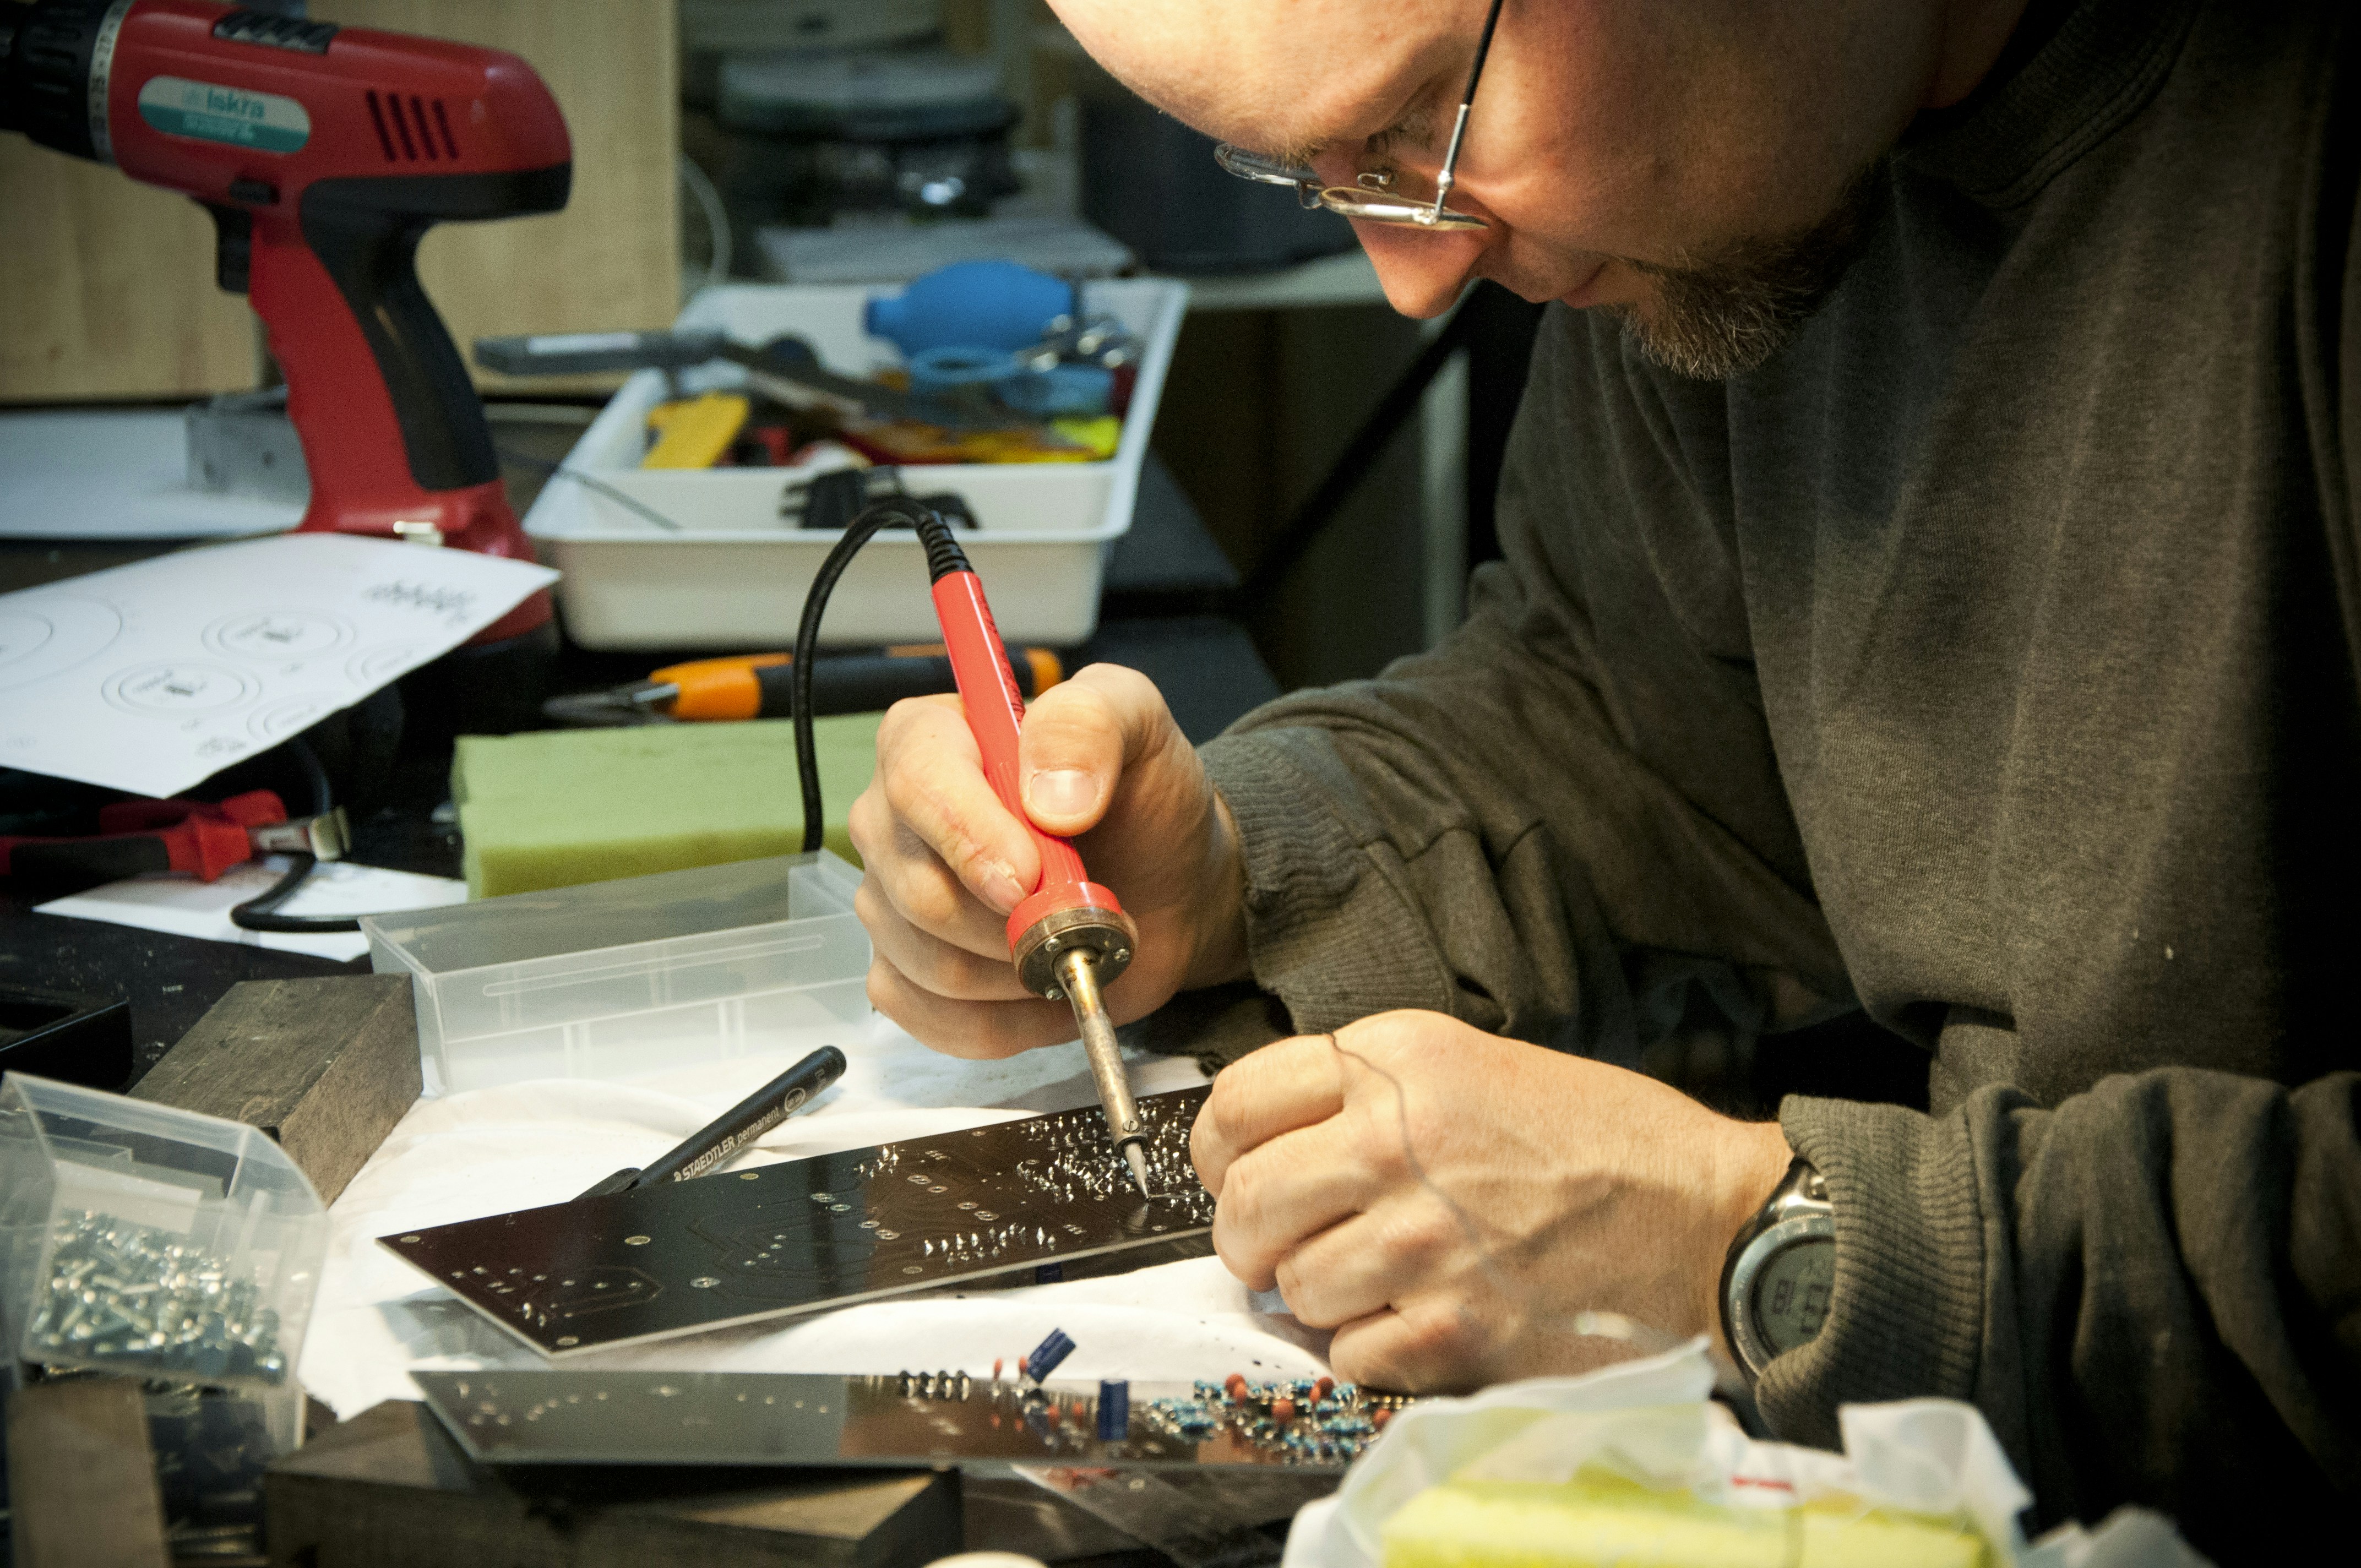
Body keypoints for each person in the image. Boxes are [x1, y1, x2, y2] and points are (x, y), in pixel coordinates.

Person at [848, 0, 2358, 1553]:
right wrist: (1240, 867)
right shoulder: (1739, 200)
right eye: (1313, 177)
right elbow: (1643, 734)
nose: (1412, 274)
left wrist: (1759, 1244)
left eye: (1423, 121)